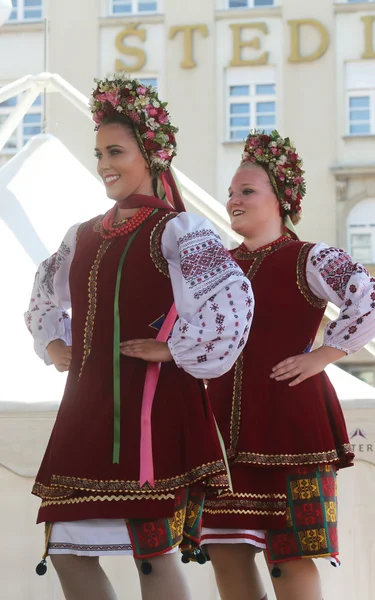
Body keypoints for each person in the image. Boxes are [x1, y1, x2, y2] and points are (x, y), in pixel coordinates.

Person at [24, 74, 254, 600]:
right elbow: (44, 297)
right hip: (86, 409)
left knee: (150, 553)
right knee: (64, 548)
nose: (104, 163)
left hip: (148, 412)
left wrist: (176, 348)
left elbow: (231, 302)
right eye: (99, 152)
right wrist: (52, 342)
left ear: (150, 154)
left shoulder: (179, 230)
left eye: (116, 151)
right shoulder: (80, 234)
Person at [201, 130, 375, 600]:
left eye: (247, 191)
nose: (233, 199)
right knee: (225, 550)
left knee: (289, 555)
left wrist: (322, 355)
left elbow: (369, 297)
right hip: (222, 431)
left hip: (291, 426)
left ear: (280, 200)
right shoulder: (217, 266)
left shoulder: (310, 258)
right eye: (232, 191)